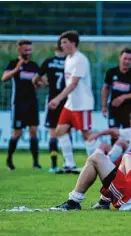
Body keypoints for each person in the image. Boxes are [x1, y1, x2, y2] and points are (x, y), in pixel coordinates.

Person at [48, 30, 94, 173]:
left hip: (82, 104)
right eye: (61, 43)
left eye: (64, 42)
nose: (62, 45)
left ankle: (98, 165)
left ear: (73, 43)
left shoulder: (80, 59)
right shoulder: (68, 59)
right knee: (60, 131)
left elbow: (73, 84)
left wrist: (57, 98)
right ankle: (69, 164)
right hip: (70, 104)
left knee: (86, 135)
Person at [1, 39, 41, 170]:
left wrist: (39, 83)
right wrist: (17, 68)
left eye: (30, 49)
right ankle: (9, 160)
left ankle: (35, 162)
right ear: (19, 49)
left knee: (33, 131)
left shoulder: (34, 65)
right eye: (26, 49)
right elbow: (4, 78)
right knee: (17, 132)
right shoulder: (13, 63)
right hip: (18, 103)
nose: (28, 52)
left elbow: (38, 83)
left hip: (32, 103)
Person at [32, 41, 67, 172]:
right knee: (66, 132)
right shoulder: (70, 61)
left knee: (52, 132)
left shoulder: (48, 62)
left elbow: (35, 78)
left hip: (52, 99)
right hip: (66, 100)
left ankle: (53, 165)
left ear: (55, 49)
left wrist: (42, 83)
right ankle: (67, 163)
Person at [101, 48, 131, 145]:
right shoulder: (111, 72)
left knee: (127, 136)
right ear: (120, 58)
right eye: (125, 58)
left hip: (128, 110)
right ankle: (115, 159)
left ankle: (126, 158)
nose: (127, 61)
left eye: (129, 59)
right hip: (113, 109)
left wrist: (124, 97)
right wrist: (103, 106)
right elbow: (106, 88)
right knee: (114, 134)